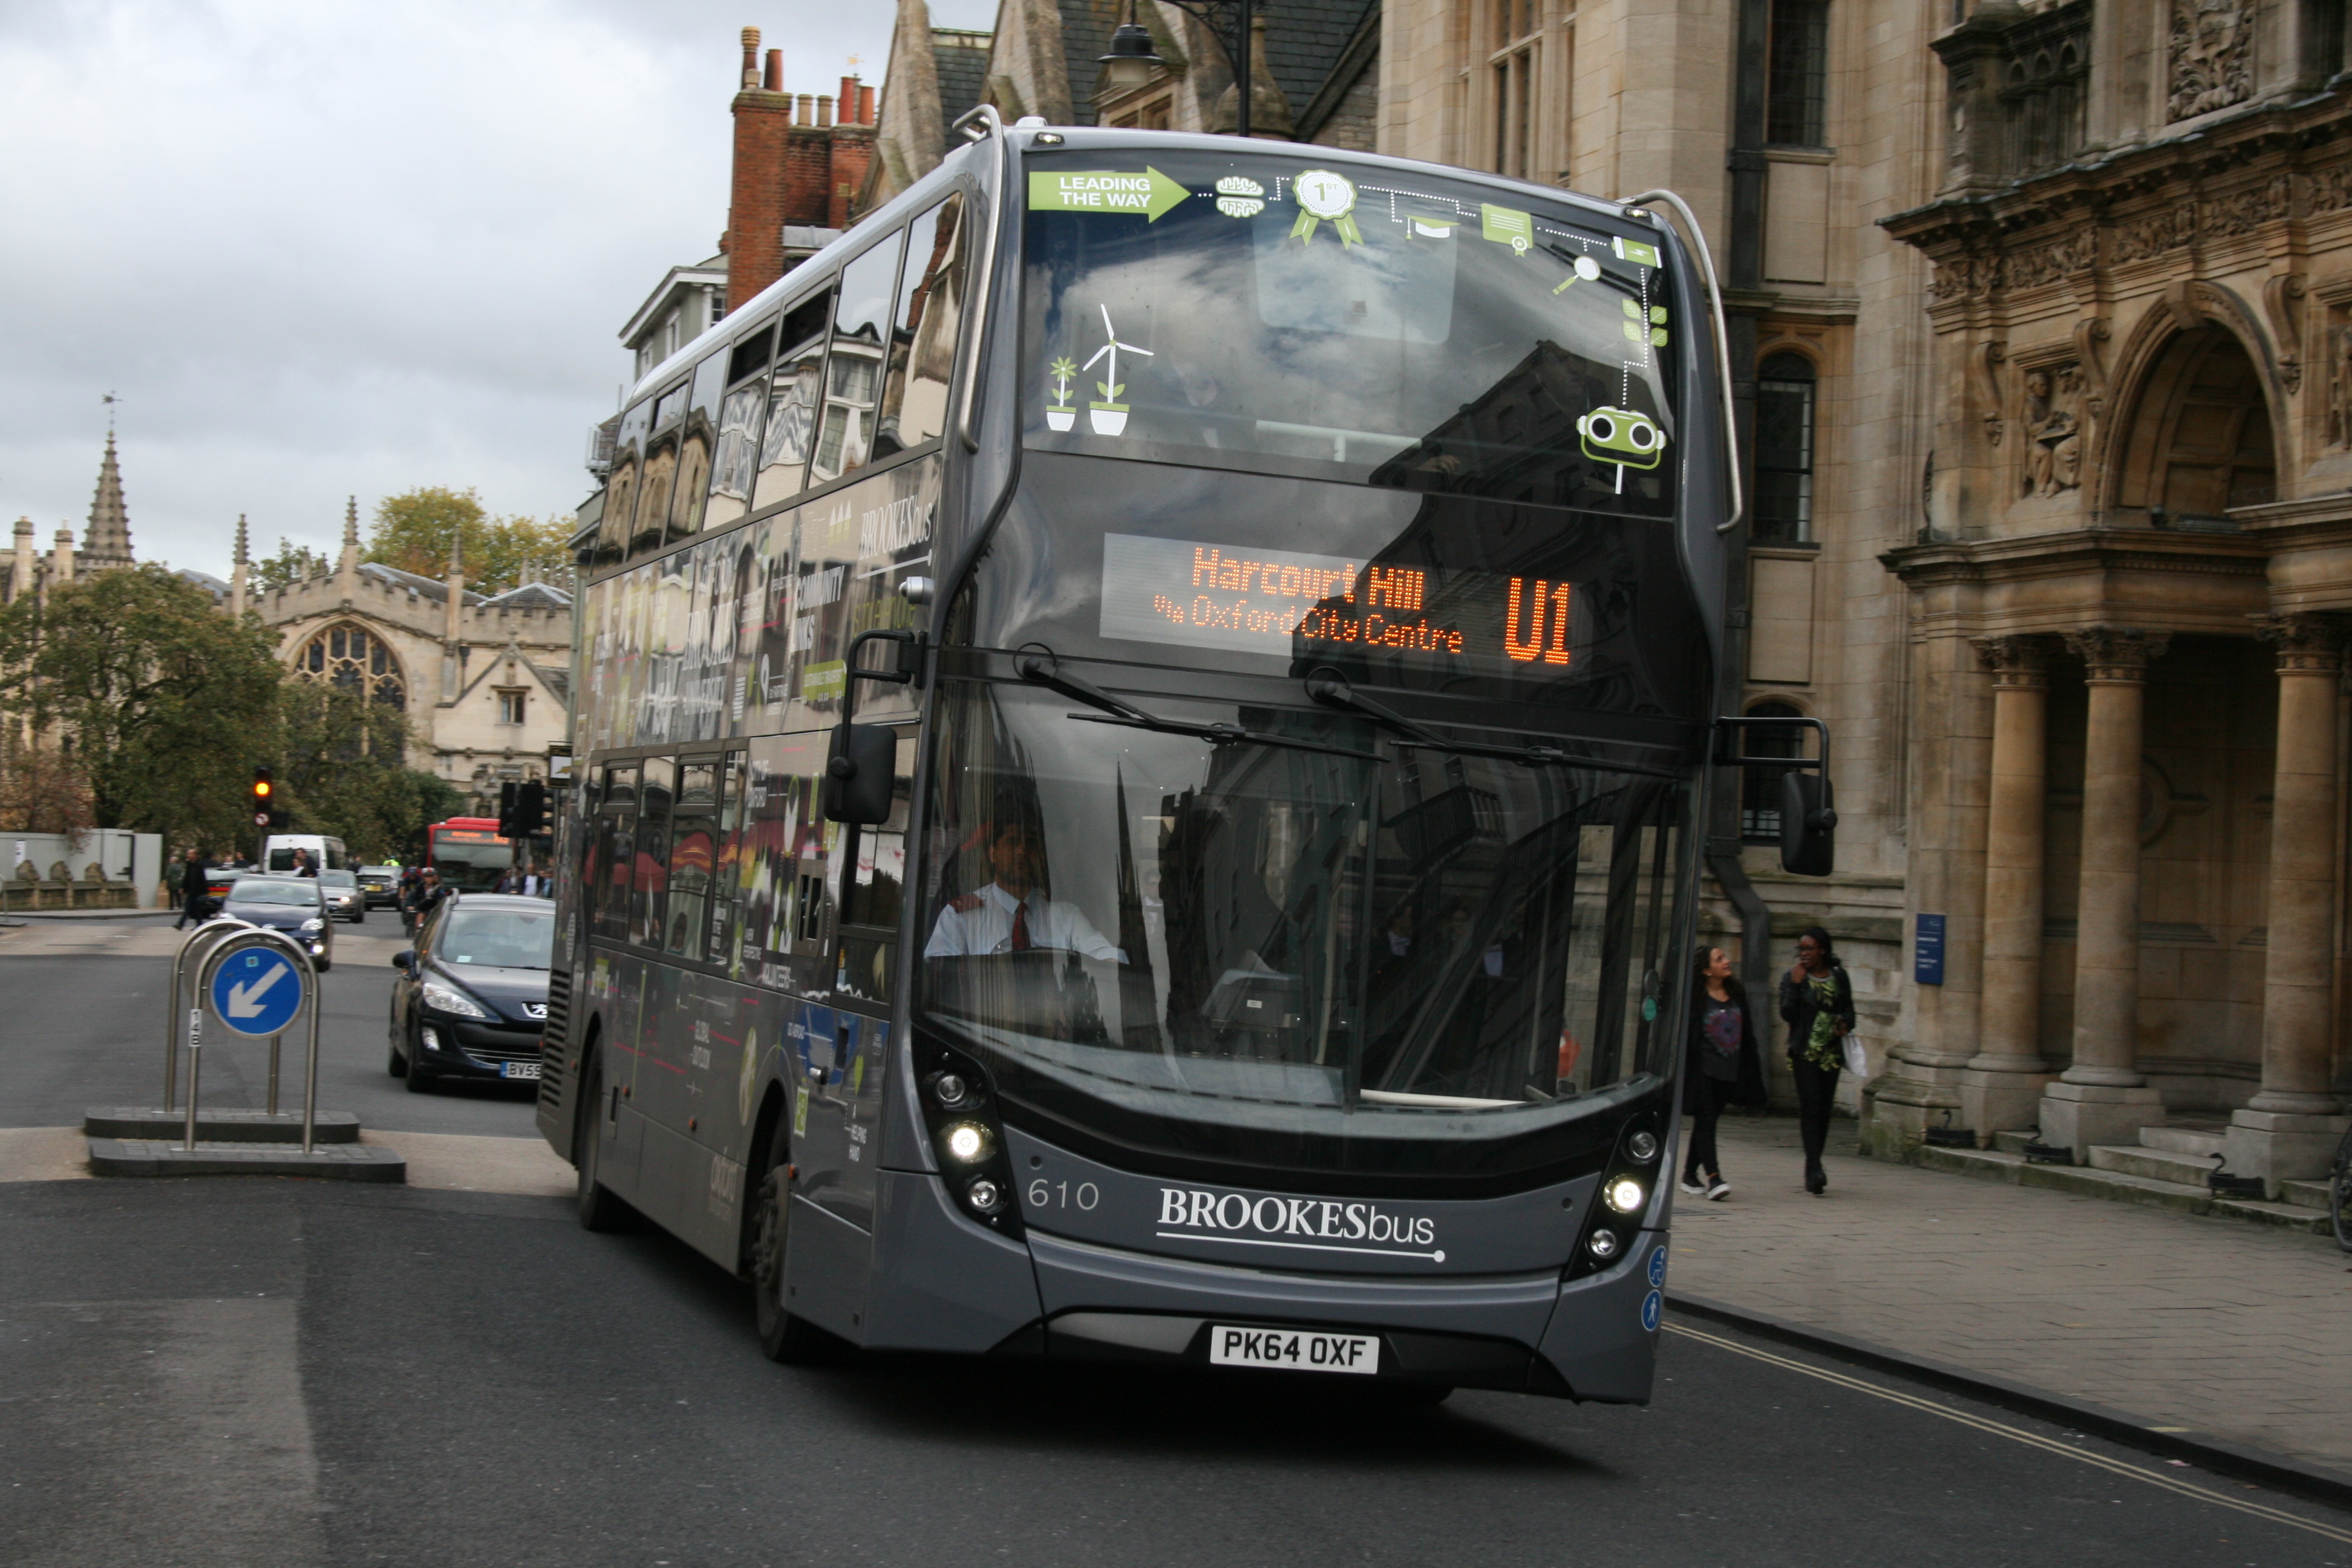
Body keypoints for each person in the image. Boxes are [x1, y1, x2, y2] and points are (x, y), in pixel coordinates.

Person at [925, 818, 1123, 961]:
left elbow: (1105, 954)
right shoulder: (960, 916)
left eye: (1030, 844)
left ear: (1040, 857)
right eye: (1012, 842)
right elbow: (940, 975)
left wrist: (1109, 962)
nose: (1022, 851)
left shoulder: (1066, 916)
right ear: (993, 854)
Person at [1682, 946, 1767, 1200]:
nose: (1727, 962)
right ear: (1707, 970)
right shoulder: (1696, 999)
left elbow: (1747, 1033)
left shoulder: (1735, 994)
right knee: (1707, 1119)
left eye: (1725, 957)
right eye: (1720, 959)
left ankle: (1688, 1174)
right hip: (1703, 1070)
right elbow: (1689, 1037)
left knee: (1706, 1122)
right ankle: (1714, 1178)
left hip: (1729, 1070)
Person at [1778, 924, 1857, 1196]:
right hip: (1804, 1053)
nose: (1804, 954)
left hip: (1830, 1054)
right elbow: (1787, 1014)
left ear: (1823, 950)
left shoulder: (1838, 976)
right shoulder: (1792, 978)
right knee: (1811, 1108)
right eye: (1801, 949)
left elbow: (1849, 1010)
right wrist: (1797, 986)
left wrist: (1845, 1023)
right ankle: (1814, 1168)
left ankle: (1815, 1164)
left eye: (1810, 949)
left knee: (1824, 1110)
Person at [174, 848, 211, 930]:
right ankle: (200, 925)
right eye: (188, 854)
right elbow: (187, 878)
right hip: (191, 890)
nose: (188, 856)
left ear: (195, 856)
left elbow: (202, 878)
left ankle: (180, 924)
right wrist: (183, 887)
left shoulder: (199, 865)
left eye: (190, 854)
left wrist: (205, 890)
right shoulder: (190, 865)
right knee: (194, 908)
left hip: (196, 890)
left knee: (188, 907)